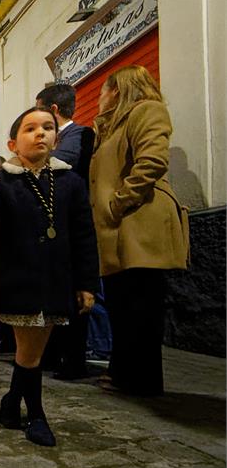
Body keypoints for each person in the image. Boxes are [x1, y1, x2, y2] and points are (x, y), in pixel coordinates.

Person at [0, 107, 99, 446]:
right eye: (30, 128)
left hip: (56, 279)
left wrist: (87, 283)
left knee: (31, 351)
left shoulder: (70, 181)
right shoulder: (2, 181)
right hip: (18, 280)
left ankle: (12, 404)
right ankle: (37, 416)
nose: (40, 133)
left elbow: (84, 234)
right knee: (30, 351)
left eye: (48, 127)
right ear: (13, 142)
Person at [90, 65, 189, 396]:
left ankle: (143, 380)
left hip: (139, 220)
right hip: (119, 226)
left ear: (117, 90)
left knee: (141, 304)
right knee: (123, 302)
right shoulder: (112, 126)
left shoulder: (147, 110)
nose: (99, 98)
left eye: (103, 91)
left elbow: (152, 161)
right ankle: (125, 372)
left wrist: (119, 202)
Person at [36, 83, 97, 379]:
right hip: (54, 227)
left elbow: (61, 165)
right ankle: (52, 355)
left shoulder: (77, 135)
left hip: (73, 225)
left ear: (54, 110)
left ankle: (73, 360)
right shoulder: (60, 139)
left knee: (74, 295)